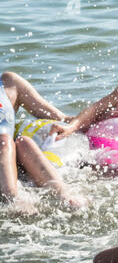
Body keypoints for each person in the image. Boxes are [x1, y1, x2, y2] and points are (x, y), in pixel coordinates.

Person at [0, 72, 87, 214]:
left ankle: (63, 193)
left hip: (6, 160)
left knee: (24, 142)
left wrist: (100, 117)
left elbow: (63, 119)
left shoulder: (9, 83)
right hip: (2, 148)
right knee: (4, 140)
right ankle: (13, 199)